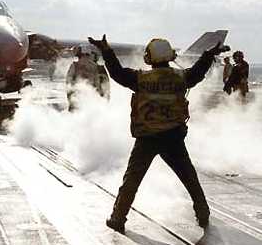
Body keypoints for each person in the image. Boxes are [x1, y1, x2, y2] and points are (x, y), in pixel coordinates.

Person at [88, 35, 229, 234]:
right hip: (173, 138)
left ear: (149, 58)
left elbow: (117, 73)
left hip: (147, 137)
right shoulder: (182, 78)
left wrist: (106, 51)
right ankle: (203, 214)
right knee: (190, 178)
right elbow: (197, 72)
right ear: (169, 57)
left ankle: (118, 218)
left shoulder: (140, 79)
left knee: (132, 180)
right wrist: (209, 54)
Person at [66, 46, 110, 111]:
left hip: (82, 97)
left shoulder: (75, 66)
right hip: (90, 97)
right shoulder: (99, 68)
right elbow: (105, 85)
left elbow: (68, 82)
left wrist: (70, 97)